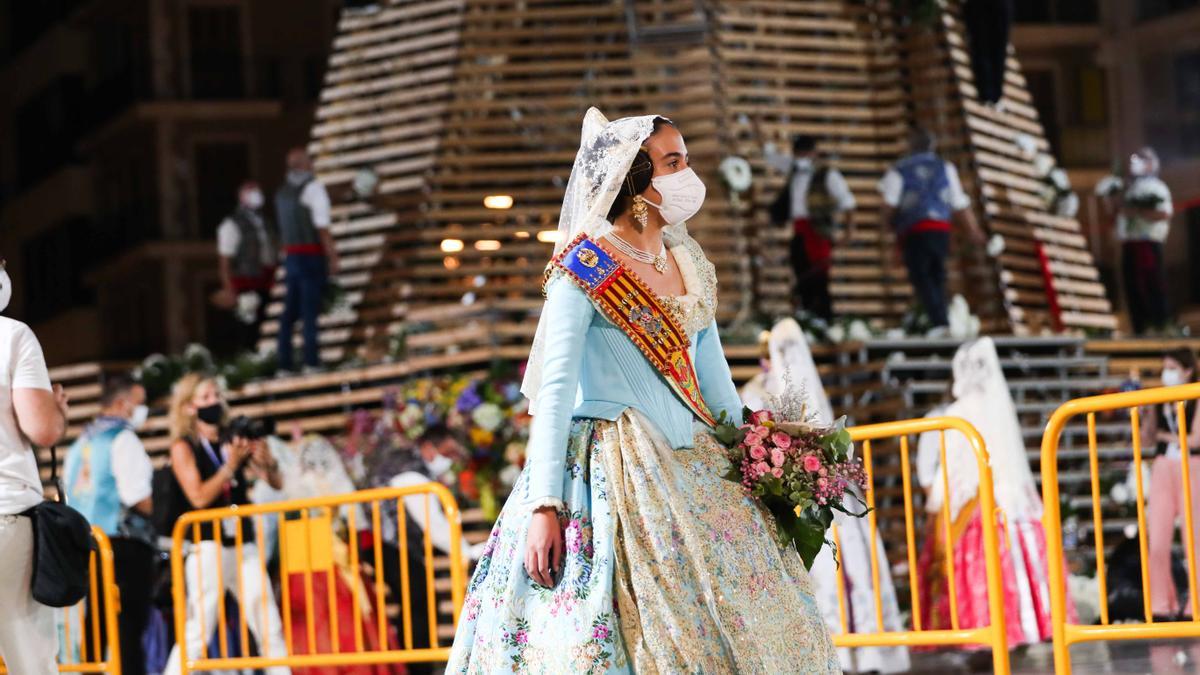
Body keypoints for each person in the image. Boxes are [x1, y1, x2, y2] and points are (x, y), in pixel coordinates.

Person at [446, 108, 838, 672]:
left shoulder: (687, 261)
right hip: (612, 466)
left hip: (698, 464)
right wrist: (544, 506)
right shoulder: (583, 266)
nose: (686, 174)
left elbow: (716, 384)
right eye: (672, 162)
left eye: (685, 160)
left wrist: (765, 459)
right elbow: (554, 390)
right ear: (635, 180)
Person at [741, 318, 910, 674]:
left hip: (812, 491)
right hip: (800, 491)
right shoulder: (769, 391)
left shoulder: (766, 392)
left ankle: (846, 650)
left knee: (834, 568)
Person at [916, 337, 1071, 650]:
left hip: (974, 503)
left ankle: (983, 631)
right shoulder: (998, 410)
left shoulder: (957, 412)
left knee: (977, 565)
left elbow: (954, 468)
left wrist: (941, 504)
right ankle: (1030, 624)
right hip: (1008, 503)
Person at [161, 374, 290, 675]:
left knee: (269, 623)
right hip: (208, 546)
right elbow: (198, 497)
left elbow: (276, 482)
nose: (214, 402)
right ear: (189, 406)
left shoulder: (232, 439)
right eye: (206, 397)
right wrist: (229, 466)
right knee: (198, 632)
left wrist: (266, 459)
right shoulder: (184, 447)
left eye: (216, 395)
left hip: (242, 543)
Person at [0, 260, 69, 675]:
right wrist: (57, 412)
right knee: (31, 662)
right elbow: (42, 429)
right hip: (4, 513)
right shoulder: (12, 336)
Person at [373, 425, 484, 675]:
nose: (450, 460)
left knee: (417, 603)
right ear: (427, 447)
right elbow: (434, 525)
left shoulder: (411, 467)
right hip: (390, 545)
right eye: (448, 452)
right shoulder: (410, 472)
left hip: (398, 545)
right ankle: (416, 669)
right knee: (417, 604)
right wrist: (465, 551)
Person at [63, 375, 155, 675]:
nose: (143, 411)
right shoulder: (122, 438)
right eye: (139, 403)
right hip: (121, 544)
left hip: (86, 542)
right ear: (121, 403)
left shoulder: (81, 442)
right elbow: (137, 495)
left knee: (96, 627)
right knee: (128, 628)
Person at [879, 129, 985, 336]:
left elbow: (888, 205)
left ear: (910, 146)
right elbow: (959, 203)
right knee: (937, 275)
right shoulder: (945, 168)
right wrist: (973, 230)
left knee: (922, 276)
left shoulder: (899, 170)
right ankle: (939, 319)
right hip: (941, 230)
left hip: (915, 230)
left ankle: (939, 323)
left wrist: (886, 231)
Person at [766, 135, 857, 321]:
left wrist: (848, 232)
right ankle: (808, 318)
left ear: (813, 153)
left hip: (818, 233)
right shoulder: (793, 169)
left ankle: (824, 319)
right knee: (801, 277)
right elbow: (770, 155)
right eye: (798, 153)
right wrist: (757, 129)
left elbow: (848, 203)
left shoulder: (828, 175)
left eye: (804, 152)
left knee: (819, 278)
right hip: (799, 233)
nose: (801, 157)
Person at [1138, 347, 1200, 618]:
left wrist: (1166, 435)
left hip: (1193, 466)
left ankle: (1195, 605)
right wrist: (1146, 414)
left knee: (1195, 540)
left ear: (1187, 371)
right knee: (1157, 540)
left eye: (1173, 368)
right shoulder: (1158, 400)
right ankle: (1161, 605)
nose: (1168, 374)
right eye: (1165, 368)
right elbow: (1146, 440)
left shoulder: (1196, 397)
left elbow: (1195, 440)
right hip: (1164, 467)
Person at [275, 148, 338, 374]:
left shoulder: (282, 193)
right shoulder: (313, 189)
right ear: (306, 164)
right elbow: (322, 227)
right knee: (309, 309)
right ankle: (311, 360)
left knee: (290, 312)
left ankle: (284, 363)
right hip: (310, 255)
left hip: (291, 257)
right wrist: (332, 256)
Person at [1114, 147, 1174, 335]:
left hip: (1147, 242)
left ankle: (1160, 325)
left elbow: (1163, 213)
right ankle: (1140, 327)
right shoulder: (1130, 188)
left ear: (1150, 164)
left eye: (1140, 160)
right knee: (1132, 287)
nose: (1135, 164)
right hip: (1130, 244)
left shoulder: (1157, 187)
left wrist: (1138, 212)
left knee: (1152, 285)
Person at [217, 180, 277, 353]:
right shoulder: (231, 224)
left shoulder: (265, 222)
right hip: (246, 283)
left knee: (267, 323)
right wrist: (229, 289)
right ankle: (248, 359)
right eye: (251, 191)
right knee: (249, 327)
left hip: (267, 281)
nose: (257, 195)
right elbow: (224, 261)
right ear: (241, 197)